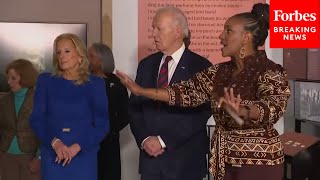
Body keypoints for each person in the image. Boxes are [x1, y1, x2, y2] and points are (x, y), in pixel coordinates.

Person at [116, 3, 291, 180]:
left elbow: (273, 108)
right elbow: (185, 92)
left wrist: (244, 111)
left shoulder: (271, 70)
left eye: (228, 31)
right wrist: (142, 91)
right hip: (223, 161)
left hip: (257, 164)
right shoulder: (219, 72)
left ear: (246, 38)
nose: (221, 36)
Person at [128, 6, 212, 180]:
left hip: (185, 162)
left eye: (159, 28)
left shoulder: (201, 66)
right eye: (153, 28)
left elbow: (200, 113)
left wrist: (163, 140)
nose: (154, 34)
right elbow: (134, 107)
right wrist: (145, 140)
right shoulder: (146, 64)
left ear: (177, 31)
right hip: (151, 161)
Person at [29, 33, 110, 180]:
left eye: (67, 51)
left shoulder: (95, 84)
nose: (61, 56)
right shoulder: (46, 81)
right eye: (58, 52)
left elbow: (102, 125)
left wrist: (77, 147)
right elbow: (36, 119)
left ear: (80, 55)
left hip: (83, 157)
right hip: (53, 157)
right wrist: (56, 143)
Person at [88, 43, 129, 180]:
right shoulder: (83, 82)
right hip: (86, 141)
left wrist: (109, 129)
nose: (87, 59)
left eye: (91, 56)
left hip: (109, 143)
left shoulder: (116, 83)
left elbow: (125, 113)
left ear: (102, 59)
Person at [0, 59, 41, 180]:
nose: (8, 82)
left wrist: (39, 158)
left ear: (25, 77)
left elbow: (45, 131)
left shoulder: (38, 99)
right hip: (6, 156)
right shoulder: (4, 101)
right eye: (8, 78)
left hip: (30, 157)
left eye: (13, 78)